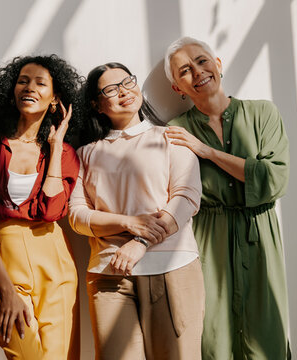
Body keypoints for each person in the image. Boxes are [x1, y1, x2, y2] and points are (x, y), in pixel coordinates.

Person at [164, 36, 291, 359]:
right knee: (213, 338)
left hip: (259, 234)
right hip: (208, 240)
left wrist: (206, 152)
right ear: (178, 88)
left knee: (267, 335)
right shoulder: (177, 129)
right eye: (185, 71)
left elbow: (273, 178)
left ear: (217, 64)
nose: (197, 72)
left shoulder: (263, 113)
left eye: (202, 61)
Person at [69, 62, 204, 359]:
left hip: (172, 268)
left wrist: (141, 243)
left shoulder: (170, 137)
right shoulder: (85, 153)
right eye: (111, 89)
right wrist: (131, 224)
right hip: (108, 275)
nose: (123, 91)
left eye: (127, 82)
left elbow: (186, 198)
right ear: (96, 104)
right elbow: (77, 216)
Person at [0, 54, 80, 359]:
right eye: (22, 81)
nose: (29, 88)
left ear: (55, 98)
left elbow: (52, 211)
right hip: (1, 258)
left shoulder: (64, 152)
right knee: (25, 354)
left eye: (40, 83)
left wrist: (56, 147)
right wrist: (6, 290)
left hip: (52, 258)